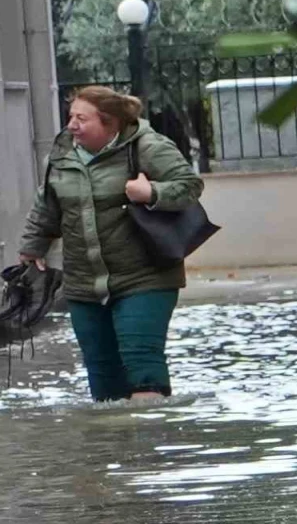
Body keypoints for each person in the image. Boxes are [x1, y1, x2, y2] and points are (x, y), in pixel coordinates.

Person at [19, 86, 203, 403]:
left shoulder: (147, 146)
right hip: (83, 283)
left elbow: (190, 186)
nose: (72, 125)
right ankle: (113, 449)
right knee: (103, 377)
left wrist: (152, 193)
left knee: (141, 363)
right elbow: (47, 205)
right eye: (70, 117)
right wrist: (32, 246)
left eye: (82, 118)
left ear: (111, 123)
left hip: (145, 277)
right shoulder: (61, 155)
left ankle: (153, 442)